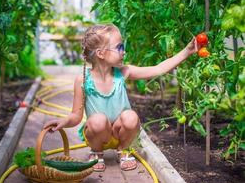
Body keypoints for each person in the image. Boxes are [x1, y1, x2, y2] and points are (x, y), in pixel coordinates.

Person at [43, 24, 201, 172]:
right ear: (101, 53)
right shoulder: (83, 80)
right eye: (119, 47)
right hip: (97, 134)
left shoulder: (124, 72)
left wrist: (187, 51)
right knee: (97, 120)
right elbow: (76, 116)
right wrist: (64, 122)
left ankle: (123, 150)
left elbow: (158, 69)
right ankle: (96, 153)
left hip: (120, 134)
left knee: (131, 117)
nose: (123, 51)